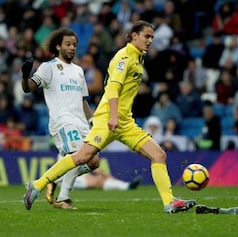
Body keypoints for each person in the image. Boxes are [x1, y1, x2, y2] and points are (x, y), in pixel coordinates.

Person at [23, 21, 196, 213]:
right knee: (82, 157)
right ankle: (38, 185)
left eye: (152, 38)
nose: (150, 41)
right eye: (147, 36)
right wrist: (113, 116)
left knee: (159, 155)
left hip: (126, 121)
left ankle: (169, 202)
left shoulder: (138, 58)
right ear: (134, 36)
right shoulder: (123, 57)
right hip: (108, 118)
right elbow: (113, 88)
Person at [21, 28, 100, 209]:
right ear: (58, 46)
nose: (72, 48)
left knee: (94, 162)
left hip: (81, 122)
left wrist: (91, 120)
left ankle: (53, 179)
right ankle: (63, 198)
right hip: (62, 121)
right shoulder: (48, 67)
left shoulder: (79, 71)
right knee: (76, 156)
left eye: (74, 45)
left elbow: (82, 100)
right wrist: (25, 76)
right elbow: (29, 88)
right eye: (68, 44)